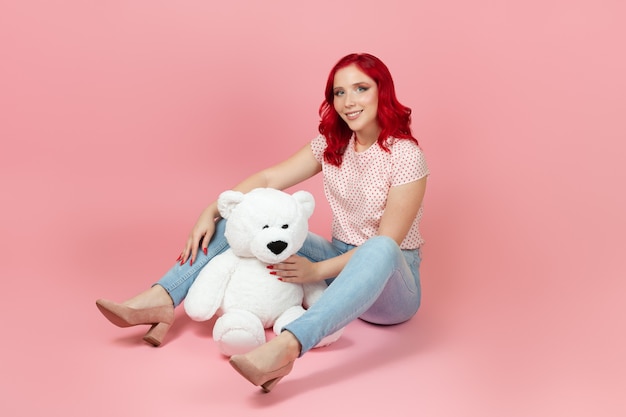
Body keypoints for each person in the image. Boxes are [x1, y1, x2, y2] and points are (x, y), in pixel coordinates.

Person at [96, 52, 429, 392]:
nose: (348, 101)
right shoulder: (332, 144)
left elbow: (387, 241)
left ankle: (287, 347)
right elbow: (269, 179)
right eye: (339, 92)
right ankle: (162, 299)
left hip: (390, 286)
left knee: (381, 246)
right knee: (240, 217)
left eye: (360, 88)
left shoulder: (405, 155)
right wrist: (211, 210)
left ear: (382, 92)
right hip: (337, 260)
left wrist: (314, 273)